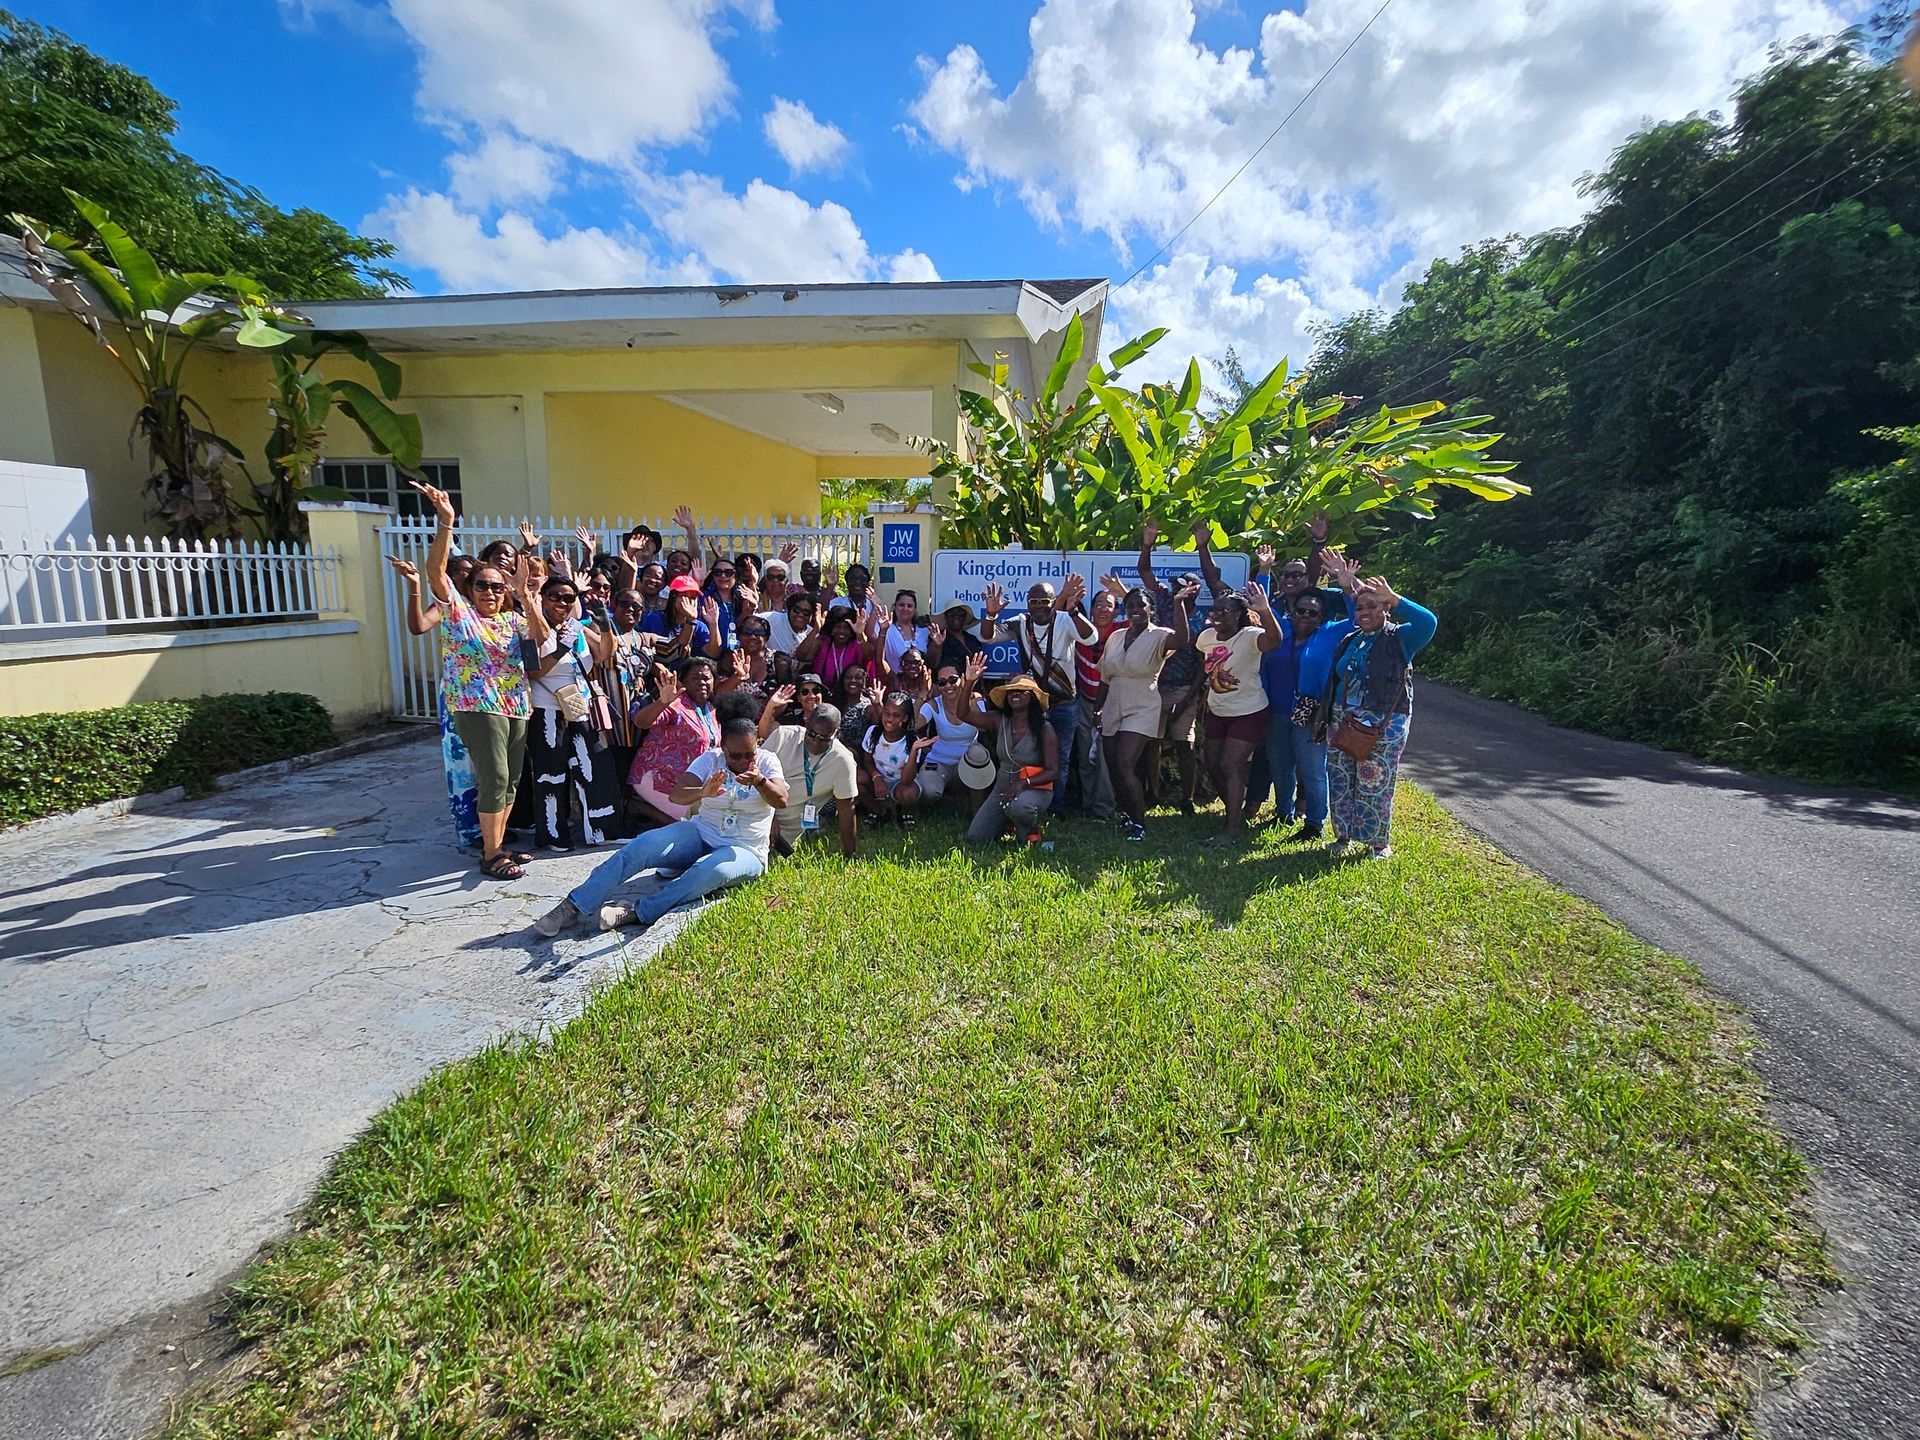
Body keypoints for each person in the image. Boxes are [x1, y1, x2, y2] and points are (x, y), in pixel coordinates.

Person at [536, 711, 787, 937]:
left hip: (745, 850)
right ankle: (574, 905)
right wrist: (702, 791)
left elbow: (782, 800)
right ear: (723, 747)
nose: (743, 761)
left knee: (710, 871)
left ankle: (637, 911)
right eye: (735, 756)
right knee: (642, 845)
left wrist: (760, 781)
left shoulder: (767, 761)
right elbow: (677, 795)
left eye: (749, 754)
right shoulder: (711, 759)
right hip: (701, 833)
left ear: (758, 746)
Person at [417, 480, 544, 880]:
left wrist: (525, 595)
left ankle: (498, 844)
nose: (489, 591)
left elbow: (540, 636)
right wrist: (446, 523)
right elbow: (435, 570)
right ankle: (490, 855)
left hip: (516, 705)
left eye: (496, 586)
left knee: (511, 780)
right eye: (481, 585)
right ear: (469, 589)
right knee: (495, 777)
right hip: (477, 704)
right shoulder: (458, 613)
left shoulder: (512, 618)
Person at [1316, 550, 1437, 859]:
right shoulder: (1352, 638)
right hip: (1343, 720)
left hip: (1384, 722)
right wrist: (1347, 585)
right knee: (1341, 779)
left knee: (1375, 781)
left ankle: (1378, 844)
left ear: (1387, 610)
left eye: (1373, 606)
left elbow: (1428, 622)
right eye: (1359, 608)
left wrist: (1396, 597)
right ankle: (1343, 837)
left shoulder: (1400, 638)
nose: (1364, 612)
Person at [981, 575, 1096, 818]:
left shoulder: (1065, 620)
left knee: (1061, 759)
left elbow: (1091, 638)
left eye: (1045, 601)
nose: (1039, 606)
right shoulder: (1020, 623)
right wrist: (991, 615)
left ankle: (1056, 807)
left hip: (1064, 705)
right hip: (1033, 705)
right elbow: (988, 636)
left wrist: (1074, 612)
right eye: (1034, 602)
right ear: (1027, 604)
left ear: (1054, 601)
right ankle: (1029, 802)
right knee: (1031, 758)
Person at [388, 552, 480, 850]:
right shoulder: (447, 606)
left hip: (491, 695)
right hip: (457, 694)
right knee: (461, 763)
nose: (465, 577)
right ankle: (469, 829)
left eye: (470, 572)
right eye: (459, 573)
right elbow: (418, 626)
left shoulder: (486, 604)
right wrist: (415, 585)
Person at [525, 574, 620, 850]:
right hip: (547, 711)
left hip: (580, 708)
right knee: (550, 775)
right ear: (543, 597)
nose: (562, 603)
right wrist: (560, 650)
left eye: (569, 598)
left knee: (595, 768)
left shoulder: (575, 626)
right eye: (555, 596)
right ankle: (553, 835)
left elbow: (603, 654)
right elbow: (532, 670)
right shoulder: (533, 628)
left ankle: (600, 831)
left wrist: (604, 625)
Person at [1099, 582, 1194, 841]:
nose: (1135, 609)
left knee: (1125, 764)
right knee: (1113, 767)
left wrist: (1178, 603)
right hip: (1113, 704)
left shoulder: (1159, 635)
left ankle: (1140, 824)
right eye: (1130, 605)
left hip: (1142, 705)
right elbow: (1105, 679)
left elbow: (1182, 640)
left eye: (1141, 604)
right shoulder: (1116, 636)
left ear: (1151, 608)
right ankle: (1128, 814)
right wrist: (1098, 709)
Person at [1255, 586, 1352, 839]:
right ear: (1293, 611)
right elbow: (1264, 606)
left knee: (1312, 770)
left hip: (1311, 715)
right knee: (1280, 765)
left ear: (1321, 617)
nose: (1306, 616)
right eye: (1301, 610)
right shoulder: (1283, 630)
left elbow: (1355, 618)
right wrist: (1264, 570)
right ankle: (1283, 813)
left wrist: (1345, 585)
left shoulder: (1331, 633)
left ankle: (1314, 823)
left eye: (1313, 613)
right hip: (1275, 712)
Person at [1194, 582, 1283, 846]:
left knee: (1230, 765)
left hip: (1249, 711)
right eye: (1215, 610)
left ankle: (1232, 831)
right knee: (1212, 764)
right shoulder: (1206, 637)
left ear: (1237, 614)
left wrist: (1265, 611)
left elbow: (1275, 641)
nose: (1217, 614)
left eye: (1224, 611)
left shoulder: (1250, 636)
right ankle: (1236, 811)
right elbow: (1207, 666)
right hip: (1218, 710)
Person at [962, 675, 1059, 845]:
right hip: (1002, 789)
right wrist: (969, 682)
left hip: (1034, 789)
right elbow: (963, 714)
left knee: (1020, 809)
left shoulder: (1045, 729)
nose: (1016, 694)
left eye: (1023, 692)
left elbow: (1053, 772)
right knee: (975, 838)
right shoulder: (999, 720)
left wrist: (1023, 783)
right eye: (1011, 691)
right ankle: (1005, 822)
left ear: (1033, 698)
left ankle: (1031, 829)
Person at [628, 655, 722, 823]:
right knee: (694, 821)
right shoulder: (676, 705)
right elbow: (641, 722)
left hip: (686, 783)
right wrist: (662, 702)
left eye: (706, 678)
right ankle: (639, 807)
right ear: (683, 683)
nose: (701, 682)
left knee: (712, 814)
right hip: (657, 778)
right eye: (695, 678)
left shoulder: (711, 709)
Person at [764, 702, 860, 857]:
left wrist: (851, 854)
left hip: (783, 836)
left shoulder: (843, 760)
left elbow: (846, 809)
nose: (816, 741)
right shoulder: (783, 736)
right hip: (757, 812)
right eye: (812, 734)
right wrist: (769, 816)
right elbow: (754, 776)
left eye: (824, 738)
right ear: (807, 723)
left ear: (836, 734)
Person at [916, 653, 987, 807]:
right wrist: (922, 696)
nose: (948, 686)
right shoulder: (934, 704)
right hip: (939, 761)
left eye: (953, 680)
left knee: (978, 753)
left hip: (968, 762)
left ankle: (976, 811)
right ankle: (950, 798)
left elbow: (983, 726)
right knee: (928, 792)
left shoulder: (976, 699)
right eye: (942, 682)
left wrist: (970, 686)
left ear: (962, 678)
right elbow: (914, 725)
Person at [860, 689, 925, 830]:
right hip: (877, 780)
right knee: (855, 779)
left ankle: (904, 811)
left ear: (905, 718)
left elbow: (907, 780)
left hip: (899, 784)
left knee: (909, 793)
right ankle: (880, 811)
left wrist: (914, 751)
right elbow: (867, 761)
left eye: (896, 715)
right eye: (887, 713)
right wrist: (877, 778)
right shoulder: (873, 732)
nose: (890, 719)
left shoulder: (911, 741)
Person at [642, 575, 722, 663]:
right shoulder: (655, 619)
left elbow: (713, 653)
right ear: (673, 597)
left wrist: (713, 624)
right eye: (684, 596)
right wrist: (690, 621)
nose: (688, 601)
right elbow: (676, 650)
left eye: (693, 598)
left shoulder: (699, 626)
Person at [796, 603, 868, 688]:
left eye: (846, 628)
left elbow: (869, 656)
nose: (841, 631)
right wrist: (816, 630)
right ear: (831, 628)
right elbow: (801, 656)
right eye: (838, 627)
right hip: (822, 692)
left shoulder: (857, 644)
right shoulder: (822, 642)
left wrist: (860, 634)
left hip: (849, 693)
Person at [876, 589, 929, 674]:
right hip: (894, 681)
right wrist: (875, 604)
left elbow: (931, 662)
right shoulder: (887, 630)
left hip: (920, 683)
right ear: (895, 607)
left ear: (915, 609)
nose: (905, 608)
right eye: (901, 605)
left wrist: (937, 646)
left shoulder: (925, 632)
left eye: (909, 606)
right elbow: (871, 637)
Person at [761, 590, 817, 657]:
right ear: (789, 609)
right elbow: (749, 622)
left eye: (806, 613)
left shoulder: (812, 634)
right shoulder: (772, 618)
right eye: (796, 610)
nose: (800, 615)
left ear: (812, 616)